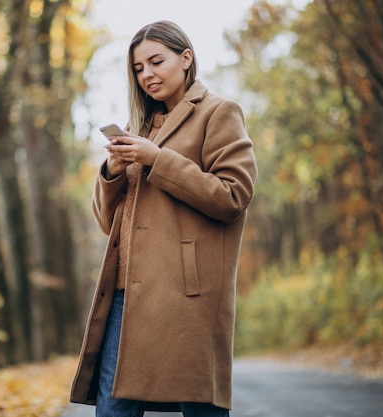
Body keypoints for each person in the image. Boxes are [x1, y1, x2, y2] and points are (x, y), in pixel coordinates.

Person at [70, 20, 258, 417]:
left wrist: (158, 160)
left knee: (201, 410)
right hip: (125, 295)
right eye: (139, 69)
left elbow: (233, 195)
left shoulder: (219, 113)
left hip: (186, 297)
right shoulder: (142, 128)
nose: (147, 75)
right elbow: (109, 224)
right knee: (113, 411)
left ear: (185, 58)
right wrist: (112, 171)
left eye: (156, 62)